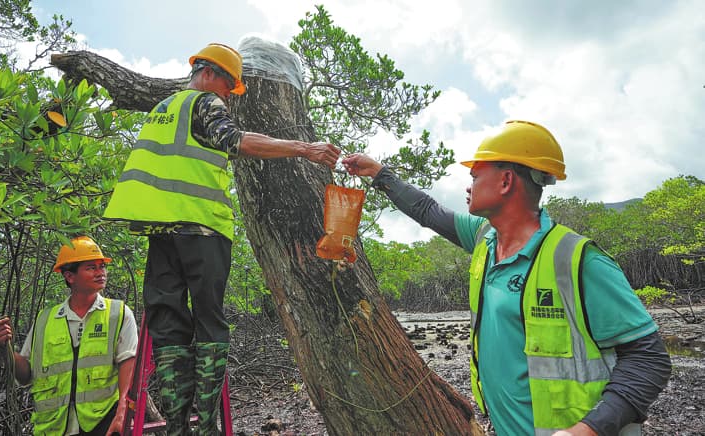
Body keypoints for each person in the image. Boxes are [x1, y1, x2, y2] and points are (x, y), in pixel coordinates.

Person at [342, 120, 671, 436]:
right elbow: (427, 211)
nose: (468, 186)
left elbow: (649, 358)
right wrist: (379, 174)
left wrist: (590, 429)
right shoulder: (484, 238)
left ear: (506, 181)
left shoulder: (577, 260)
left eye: (475, 176)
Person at [102, 43, 340, 435]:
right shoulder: (204, 102)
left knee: (167, 324)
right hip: (202, 228)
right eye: (229, 85)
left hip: (162, 231)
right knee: (209, 321)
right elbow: (234, 141)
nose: (229, 95)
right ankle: (206, 427)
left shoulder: (165, 109)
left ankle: (178, 426)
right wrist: (303, 149)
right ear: (209, 73)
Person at [0, 236, 138, 436]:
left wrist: (123, 411)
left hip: (103, 423)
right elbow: (25, 375)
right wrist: (5, 348)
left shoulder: (118, 314)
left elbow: (129, 365)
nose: (101, 273)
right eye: (91, 268)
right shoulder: (45, 320)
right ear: (70, 276)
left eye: (102, 266)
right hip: (53, 427)